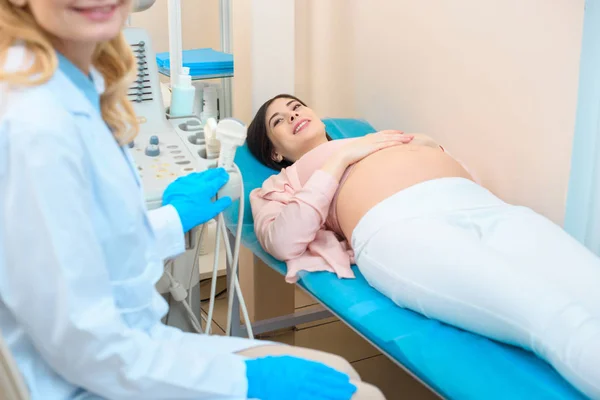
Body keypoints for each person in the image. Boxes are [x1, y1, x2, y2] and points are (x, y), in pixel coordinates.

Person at [0, 2, 386, 400]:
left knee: (338, 367)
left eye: (297, 108)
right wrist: (246, 383)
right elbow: (86, 345)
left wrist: (171, 218)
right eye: (278, 120)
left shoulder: (79, 90)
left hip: (123, 350)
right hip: (90, 377)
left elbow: (88, 252)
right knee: (360, 394)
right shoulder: (34, 125)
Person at [247, 94, 600, 399]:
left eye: (296, 106)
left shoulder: (379, 137)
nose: (294, 114)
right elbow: (282, 240)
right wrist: (338, 161)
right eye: (279, 119)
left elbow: (458, 171)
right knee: (551, 314)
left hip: (484, 207)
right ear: (275, 152)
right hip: (400, 227)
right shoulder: (280, 184)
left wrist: (433, 148)